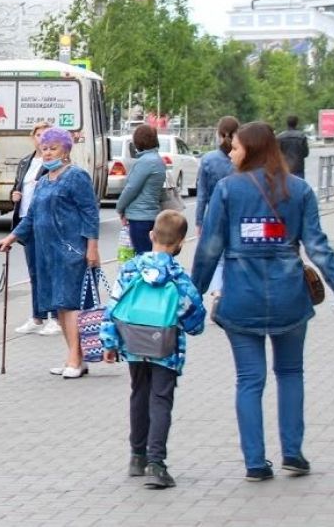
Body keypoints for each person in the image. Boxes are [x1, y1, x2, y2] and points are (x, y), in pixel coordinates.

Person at [192, 121, 334, 481]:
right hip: (290, 294)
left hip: (241, 296)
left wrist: (192, 295)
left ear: (252, 150)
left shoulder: (227, 190)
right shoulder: (300, 190)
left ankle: (255, 462)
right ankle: (293, 453)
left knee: (248, 379)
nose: (231, 152)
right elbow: (318, 247)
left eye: (237, 147)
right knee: (290, 373)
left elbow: (210, 249)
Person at [100, 210, 206, 490]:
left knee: (139, 394)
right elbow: (193, 318)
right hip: (166, 347)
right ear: (181, 243)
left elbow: (113, 306)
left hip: (134, 342)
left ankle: (137, 456)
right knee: (161, 400)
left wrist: (110, 343)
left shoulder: (131, 269)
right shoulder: (178, 276)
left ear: (150, 236)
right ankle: (156, 463)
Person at [0, 127, 100, 379]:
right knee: (60, 306)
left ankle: (75, 359)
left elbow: (90, 213)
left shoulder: (76, 176)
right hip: (46, 251)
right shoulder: (43, 180)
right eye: (44, 148)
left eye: (53, 148)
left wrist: (92, 247)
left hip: (71, 250)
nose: (48, 152)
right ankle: (75, 358)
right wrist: (11, 237)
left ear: (65, 150)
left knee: (70, 304)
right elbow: (31, 217)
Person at [10, 121, 59, 336]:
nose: (42, 139)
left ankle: (55, 316)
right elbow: (17, 186)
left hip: (46, 221)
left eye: (46, 135)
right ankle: (37, 315)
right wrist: (14, 195)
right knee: (34, 271)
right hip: (26, 218)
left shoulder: (56, 163)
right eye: (38, 135)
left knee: (49, 269)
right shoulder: (26, 162)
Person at [196, 116, 239, 296]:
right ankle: (231, 290)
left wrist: (199, 221)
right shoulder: (241, 158)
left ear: (219, 134)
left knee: (216, 256)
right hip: (237, 215)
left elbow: (201, 195)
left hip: (214, 216)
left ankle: (217, 291)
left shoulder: (208, 159)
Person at [116, 125, 167, 256]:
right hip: (152, 213)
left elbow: (131, 188)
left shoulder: (145, 162)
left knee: (143, 258)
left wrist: (120, 207)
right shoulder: (158, 160)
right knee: (151, 256)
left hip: (140, 217)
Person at [276, 115, 309, 179]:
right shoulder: (301, 136)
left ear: (287, 123)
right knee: (299, 186)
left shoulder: (280, 137)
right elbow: (306, 153)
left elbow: (277, 153)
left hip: (284, 167)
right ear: (296, 123)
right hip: (298, 167)